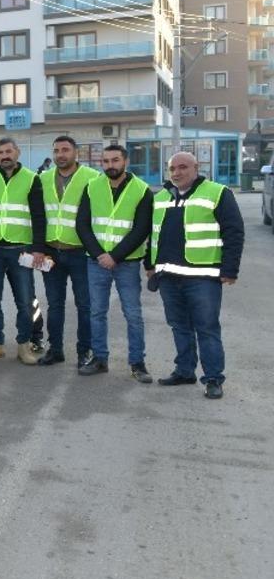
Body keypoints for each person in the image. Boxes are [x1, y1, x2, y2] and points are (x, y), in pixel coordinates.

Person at [147, 152, 243, 399]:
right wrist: (150, 264)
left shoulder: (217, 193)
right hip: (168, 276)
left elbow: (233, 232)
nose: (177, 173)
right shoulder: (161, 197)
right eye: (172, 169)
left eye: (183, 167)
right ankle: (184, 371)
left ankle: (213, 379)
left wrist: (230, 269)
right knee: (179, 326)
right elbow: (153, 233)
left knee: (207, 328)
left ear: (196, 167)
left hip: (203, 277)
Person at [75, 144, 154, 380]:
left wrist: (115, 256)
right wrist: (100, 254)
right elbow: (82, 225)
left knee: (133, 314)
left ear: (125, 161)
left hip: (127, 263)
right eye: (106, 161)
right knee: (97, 312)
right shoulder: (92, 186)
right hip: (96, 261)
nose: (110, 165)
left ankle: (137, 363)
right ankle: (100, 359)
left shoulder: (142, 190)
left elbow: (141, 229)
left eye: (115, 160)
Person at [0, 137, 46, 365]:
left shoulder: (31, 178)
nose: (5, 156)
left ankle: (24, 345)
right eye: (1, 152)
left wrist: (38, 248)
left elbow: (39, 216)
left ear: (17, 153)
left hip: (21, 250)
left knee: (25, 301)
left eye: (9, 151)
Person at [36, 136, 95, 367]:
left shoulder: (92, 177)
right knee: (55, 304)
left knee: (85, 305)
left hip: (80, 252)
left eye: (65, 150)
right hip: (51, 252)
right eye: (56, 150)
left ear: (75, 152)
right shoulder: (43, 178)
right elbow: (38, 215)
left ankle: (84, 351)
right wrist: (38, 249)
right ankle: (55, 350)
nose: (60, 154)